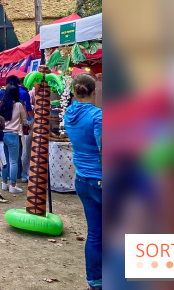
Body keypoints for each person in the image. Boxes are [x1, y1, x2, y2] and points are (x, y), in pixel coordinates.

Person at [63, 73, 102, 290]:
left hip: (83, 179)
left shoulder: (69, 114)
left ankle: (95, 281)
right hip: (101, 178)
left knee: (96, 233)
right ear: (94, 91)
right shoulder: (98, 116)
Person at [0, 82, 27, 195]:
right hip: (13, 135)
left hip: (2, 134)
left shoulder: (1, 104)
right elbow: (25, 120)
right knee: (13, 161)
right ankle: (13, 184)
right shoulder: (18, 105)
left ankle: (4, 182)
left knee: (4, 160)